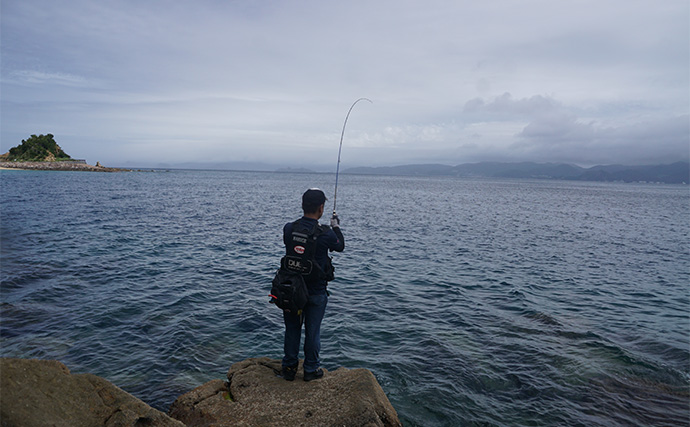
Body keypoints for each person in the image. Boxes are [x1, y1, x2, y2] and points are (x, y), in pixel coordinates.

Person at [280, 188, 344, 382]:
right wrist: (335, 226)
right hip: (316, 291)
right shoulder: (325, 234)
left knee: (292, 329)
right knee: (312, 331)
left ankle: (289, 369)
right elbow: (340, 245)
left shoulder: (289, 228)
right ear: (321, 208)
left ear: (302, 205)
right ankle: (310, 369)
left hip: (291, 290)